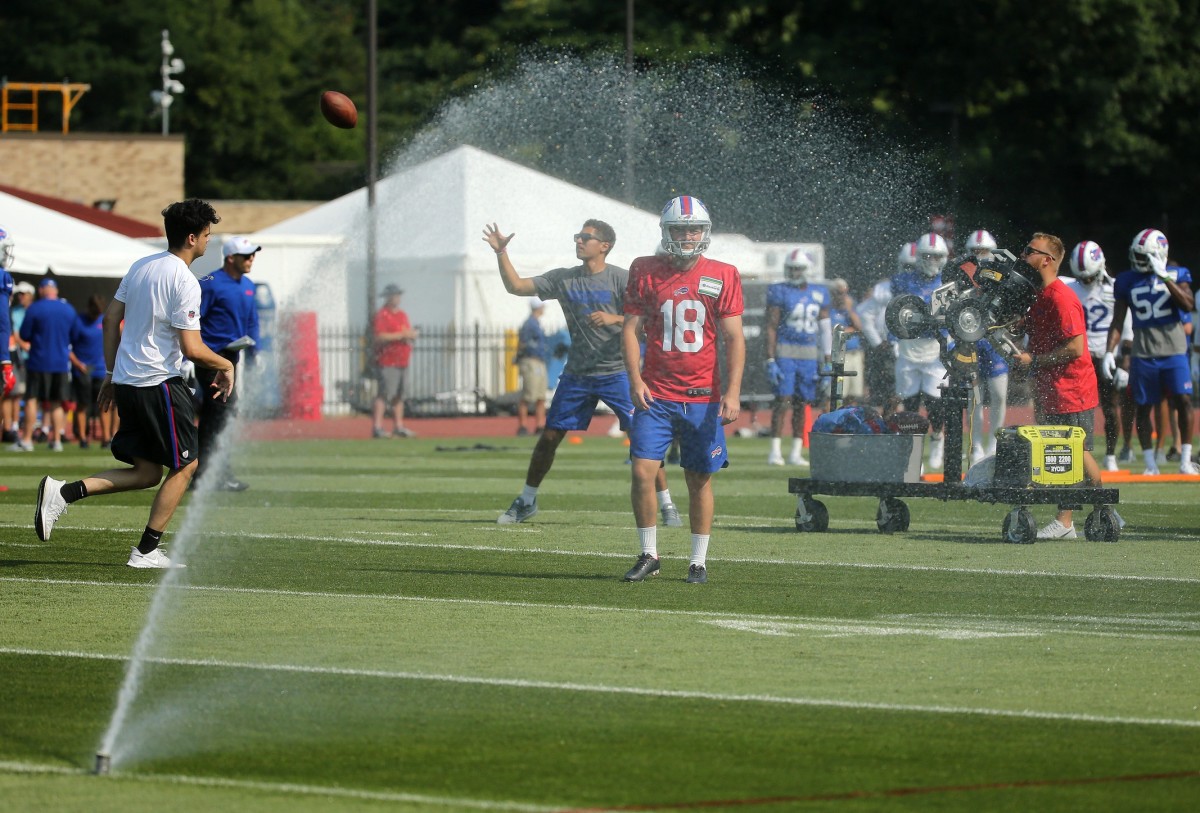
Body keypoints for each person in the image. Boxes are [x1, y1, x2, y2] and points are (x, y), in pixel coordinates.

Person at [33, 199, 236, 568]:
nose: (208, 242)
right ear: (192, 237)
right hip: (158, 382)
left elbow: (111, 321)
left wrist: (111, 374)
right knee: (187, 465)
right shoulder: (185, 280)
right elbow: (192, 348)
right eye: (207, 235)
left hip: (129, 381)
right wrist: (225, 364)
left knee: (146, 473)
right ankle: (145, 551)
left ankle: (62, 493)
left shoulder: (141, 266)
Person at [485, 219, 682, 528]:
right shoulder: (564, 278)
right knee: (549, 437)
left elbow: (651, 321)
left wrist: (614, 318)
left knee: (644, 439)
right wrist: (501, 252)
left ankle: (667, 505)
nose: (578, 241)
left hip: (619, 373)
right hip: (578, 374)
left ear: (604, 246)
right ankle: (526, 500)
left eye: (586, 237)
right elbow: (516, 286)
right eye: (577, 236)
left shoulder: (622, 278)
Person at [622, 195, 745, 584]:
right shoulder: (644, 269)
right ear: (667, 231)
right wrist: (635, 379)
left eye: (694, 228)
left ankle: (698, 560)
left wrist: (733, 391)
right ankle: (648, 553)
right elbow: (630, 329)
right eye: (680, 228)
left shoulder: (723, 273)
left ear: (705, 232)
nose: (688, 235)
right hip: (656, 393)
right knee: (643, 472)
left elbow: (734, 338)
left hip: (702, 397)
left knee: (699, 478)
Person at [1009, 233, 1105, 539]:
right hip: (1052, 387)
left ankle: (1074, 519)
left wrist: (1033, 361)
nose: (1023, 255)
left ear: (1046, 260)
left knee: (1076, 451)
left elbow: (1076, 348)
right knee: (1059, 452)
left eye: (1029, 251)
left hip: (1072, 389)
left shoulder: (1062, 297)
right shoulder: (1039, 294)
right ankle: (1089, 514)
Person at [1103, 228, 1196, 475]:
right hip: (1143, 353)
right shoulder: (1126, 280)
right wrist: (1110, 351)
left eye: (1145, 256)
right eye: (1137, 255)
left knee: (1184, 400)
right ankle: (1150, 463)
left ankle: (1185, 460)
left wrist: (1166, 278)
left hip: (1175, 350)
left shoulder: (1177, 274)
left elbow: (1188, 304)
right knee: (1143, 406)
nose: (1139, 260)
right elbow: (1118, 320)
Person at [193, 236, 262, 489]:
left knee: (216, 417)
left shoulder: (248, 285)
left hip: (232, 359)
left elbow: (252, 320)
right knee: (223, 414)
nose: (251, 260)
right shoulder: (210, 283)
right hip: (211, 359)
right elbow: (192, 321)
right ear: (231, 258)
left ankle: (203, 474)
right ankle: (214, 475)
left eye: (253, 255)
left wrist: (257, 351)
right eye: (247, 256)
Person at [1064, 240, 1132, 472]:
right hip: (1079, 357)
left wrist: (1125, 362)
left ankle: (1111, 454)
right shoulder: (1069, 287)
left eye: (1090, 276)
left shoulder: (1114, 287)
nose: (1086, 281)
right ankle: (1079, 454)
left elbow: (1125, 325)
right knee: (1078, 409)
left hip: (1106, 355)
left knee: (1110, 406)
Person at [764, 248, 831, 466]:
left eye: (797, 269)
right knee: (782, 401)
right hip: (786, 349)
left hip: (809, 353)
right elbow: (772, 326)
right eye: (791, 269)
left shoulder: (819, 292)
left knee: (803, 403)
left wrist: (828, 360)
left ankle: (795, 451)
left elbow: (825, 329)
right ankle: (775, 450)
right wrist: (770, 358)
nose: (793, 273)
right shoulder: (779, 291)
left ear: (806, 270)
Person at [892, 232, 950, 469]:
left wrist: (950, 344)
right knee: (910, 406)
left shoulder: (948, 281)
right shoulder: (903, 280)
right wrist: (891, 338)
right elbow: (889, 310)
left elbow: (952, 318)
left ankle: (937, 441)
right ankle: (914, 453)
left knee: (936, 404)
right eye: (927, 255)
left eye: (936, 256)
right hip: (908, 347)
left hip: (935, 349)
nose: (932, 261)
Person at [15, 277, 83, 453]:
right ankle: (57, 441)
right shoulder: (68, 310)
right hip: (60, 363)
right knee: (56, 403)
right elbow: (75, 336)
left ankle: (27, 440)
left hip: (38, 361)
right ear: (56, 291)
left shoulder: (35, 308)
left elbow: (25, 333)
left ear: (41, 290)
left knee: (31, 400)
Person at [857, 242, 914, 408]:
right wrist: (878, 342)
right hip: (888, 347)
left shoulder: (928, 287)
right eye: (908, 266)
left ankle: (904, 428)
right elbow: (865, 315)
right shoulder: (887, 287)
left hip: (914, 348)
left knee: (907, 393)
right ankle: (881, 429)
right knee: (882, 393)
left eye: (913, 266)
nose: (910, 270)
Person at [371, 283, 419, 439]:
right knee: (384, 394)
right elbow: (380, 336)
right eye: (394, 295)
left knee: (399, 395)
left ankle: (399, 426)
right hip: (387, 361)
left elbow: (406, 331)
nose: (397, 298)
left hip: (402, 360)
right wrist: (401, 335)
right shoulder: (382, 315)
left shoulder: (402, 315)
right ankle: (377, 427)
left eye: (398, 295)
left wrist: (410, 335)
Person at [68, 293, 110, 449]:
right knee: (82, 404)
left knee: (103, 405)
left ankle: (106, 438)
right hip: (82, 370)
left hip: (101, 370)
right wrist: (78, 364)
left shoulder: (104, 320)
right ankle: (83, 438)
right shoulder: (78, 321)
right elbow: (67, 347)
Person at [826, 277, 864, 404]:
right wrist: (849, 330)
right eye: (839, 292)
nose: (842, 296)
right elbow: (834, 332)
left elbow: (859, 327)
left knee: (854, 394)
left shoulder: (851, 306)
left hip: (854, 353)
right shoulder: (828, 309)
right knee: (837, 394)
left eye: (844, 292)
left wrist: (849, 310)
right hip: (839, 355)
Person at [514, 298, 548, 436]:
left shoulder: (537, 324)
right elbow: (522, 343)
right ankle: (522, 426)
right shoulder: (529, 324)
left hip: (539, 361)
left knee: (541, 396)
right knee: (528, 395)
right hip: (530, 361)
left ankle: (540, 425)